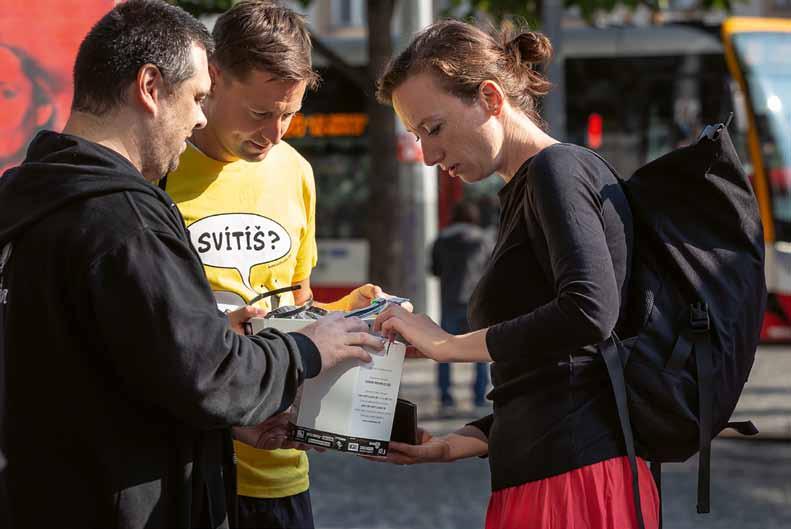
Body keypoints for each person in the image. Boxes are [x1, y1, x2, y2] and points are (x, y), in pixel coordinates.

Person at [0, 2, 381, 528]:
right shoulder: (128, 217)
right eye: (198, 97)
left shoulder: (27, 197)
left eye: (287, 114)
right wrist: (303, 350)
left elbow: (136, 361)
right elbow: (207, 372)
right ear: (151, 87)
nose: (200, 115)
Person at [371, 19, 660, 529]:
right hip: (549, 472)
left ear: (489, 96)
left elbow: (589, 313)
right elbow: (556, 370)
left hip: (572, 483)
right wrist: (456, 443)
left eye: (433, 128)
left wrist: (445, 344)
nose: (427, 155)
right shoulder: (529, 188)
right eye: (417, 137)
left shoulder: (557, 171)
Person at [161, 2, 400, 528]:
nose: (275, 133)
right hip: (186, 472)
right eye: (259, 112)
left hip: (279, 470)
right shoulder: (159, 168)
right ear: (214, 79)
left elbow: (295, 302)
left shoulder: (295, 171)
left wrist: (348, 317)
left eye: (288, 112)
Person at [430, 200, 492, 412]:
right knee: (481, 351)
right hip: (477, 302)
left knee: (442, 350)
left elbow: (434, 269)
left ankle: (446, 397)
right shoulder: (483, 239)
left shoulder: (442, 238)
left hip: (449, 301)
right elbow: (491, 269)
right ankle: (479, 396)